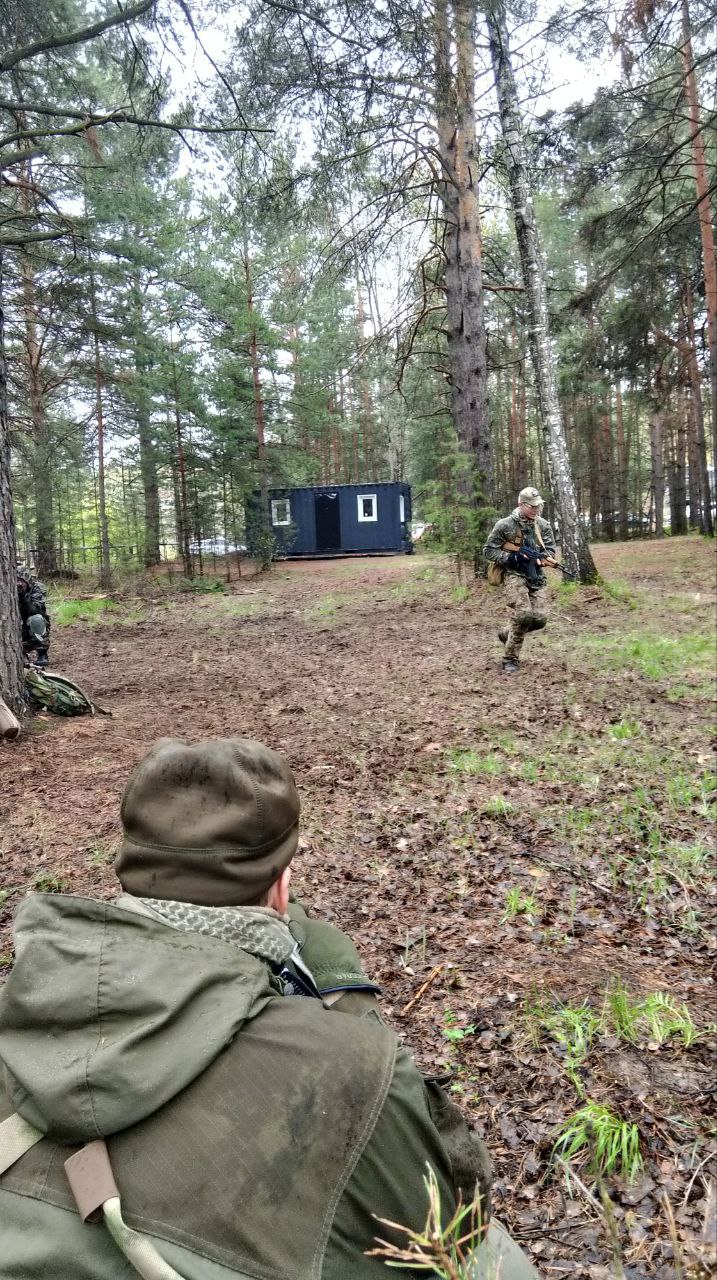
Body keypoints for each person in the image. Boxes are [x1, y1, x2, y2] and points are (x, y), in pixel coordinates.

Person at [0, 737, 539, 1280]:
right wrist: (351, 1023)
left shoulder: (23, 1001)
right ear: (281, 886)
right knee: (496, 1259)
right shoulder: (348, 1065)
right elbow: (452, 1216)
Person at [484, 485, 557, 674]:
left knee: (539, 619)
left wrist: (542, 560)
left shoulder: (543, 525)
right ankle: (510, 659)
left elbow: (549, 550)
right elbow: (489, 550)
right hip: (513, 574)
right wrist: (510, 558)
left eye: (538, 506)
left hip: (536, 575)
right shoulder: (505, 525)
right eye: (532, 506)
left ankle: (506, 634)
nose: (536, 509)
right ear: (521, 504)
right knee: (523, 615)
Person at [17, 563, 51, 668]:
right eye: (16, 580)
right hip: (18, 627)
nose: (18, 583)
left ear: (26, 580)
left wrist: (22, 596)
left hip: (32, 628)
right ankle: (21, 653)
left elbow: (35, 611)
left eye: (21, 580)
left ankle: (42, 653)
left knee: (36, 619)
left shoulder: (36, 588)